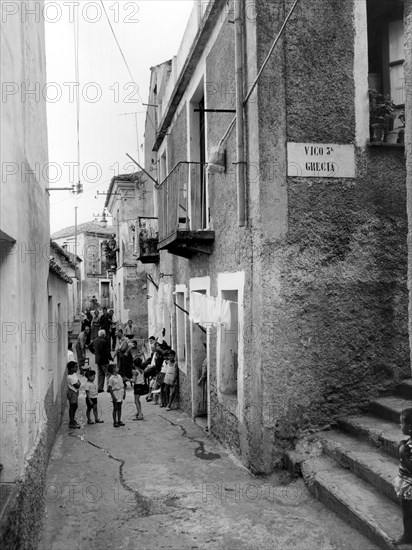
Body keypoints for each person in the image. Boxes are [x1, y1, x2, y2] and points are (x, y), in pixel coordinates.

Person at [394, 407, 412, 545]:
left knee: (407, 512)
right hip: (407, 482)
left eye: (401, 423)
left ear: (410, 427)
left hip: (409, 485)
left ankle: (407, 536)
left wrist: (402, 455)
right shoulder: (409, 442)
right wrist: (402, 444)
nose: (400, 425)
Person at [107, 363, 126, 427]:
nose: (118, 368)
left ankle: (119, 420)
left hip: (120, 392)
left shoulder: (119, 376)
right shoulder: (111, 378)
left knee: (120, 407)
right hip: (115, 393)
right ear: (113, 370)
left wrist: (124, 393)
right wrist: (113, 396)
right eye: (116, 367)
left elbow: (122, 385)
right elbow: (110, 388)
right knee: (115, 408)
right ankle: (115, 422)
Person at [67, 361, 81, 429]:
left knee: (75, 406)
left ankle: (72, 420)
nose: (77, 369)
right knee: (73, 406)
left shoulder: (74, 374)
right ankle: (71, 422)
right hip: (72, 393)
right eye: (76, 367)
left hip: (75, 392)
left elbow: (79, 382)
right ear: (71, 368)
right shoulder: (70, 377)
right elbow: (77, 385)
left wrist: (78, 383)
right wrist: (78, 383)